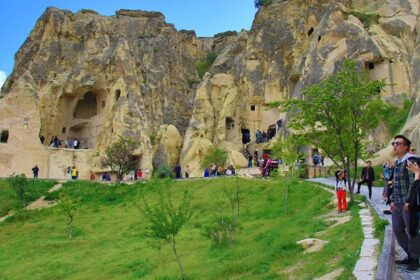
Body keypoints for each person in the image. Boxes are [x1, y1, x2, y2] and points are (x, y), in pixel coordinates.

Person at [389, 135, 419, 271]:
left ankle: (414, 259)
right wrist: (392, 200)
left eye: (397, 143)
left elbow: (414, 183)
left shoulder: (410, 161)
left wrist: (409, 201)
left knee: (412, 231)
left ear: (406, 147)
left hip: (408, 203)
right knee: (397, 229)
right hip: (397, 203)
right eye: (393, 143)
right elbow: (396, 185)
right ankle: (411, 254)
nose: (394, 146)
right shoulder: (398, 162)